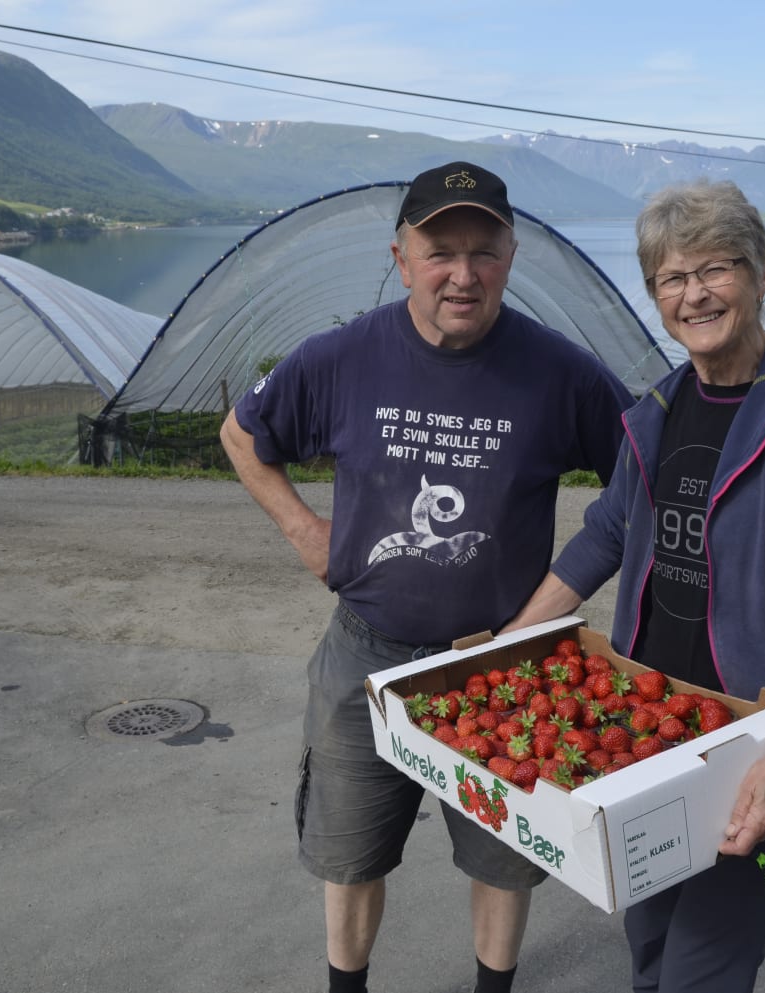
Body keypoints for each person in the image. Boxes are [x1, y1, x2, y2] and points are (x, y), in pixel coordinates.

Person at [218, 161, 635, 993]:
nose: (462, 274)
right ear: (402, 258)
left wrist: (553, 602)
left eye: (483, 251)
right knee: (350, 857)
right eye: (440, 251)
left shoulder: (560, 373)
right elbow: (242, 434)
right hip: (364, 658)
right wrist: (308, 534)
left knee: (503, 859)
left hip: (500, 671)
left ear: (510, 258)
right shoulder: (341, 357)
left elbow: (638, 484)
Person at [504, 179, 765, 992]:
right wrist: (503, 648)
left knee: (702, 966)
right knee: (648, 943)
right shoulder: (654, 410)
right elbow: (605, 534)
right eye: (671, 278)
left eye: (715, 268)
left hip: (753, 732)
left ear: (759, 272)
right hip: (651, 724)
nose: (693, 293)